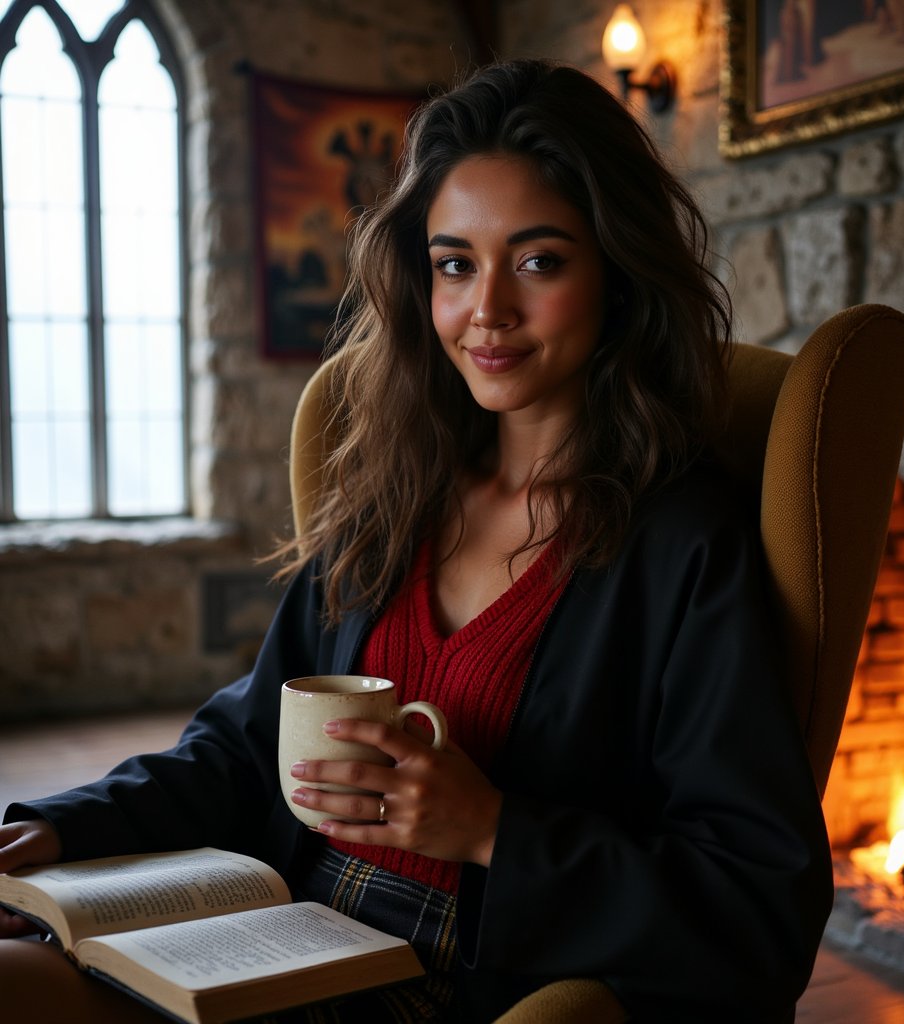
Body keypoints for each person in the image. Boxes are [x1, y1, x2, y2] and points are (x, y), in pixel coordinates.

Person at [0, 58, 832, 1022]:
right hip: (272, 934)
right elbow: (246, 743)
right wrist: (58, 828)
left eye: (539, 261)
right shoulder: (395, 494)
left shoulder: (686, 546)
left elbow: (757, 908)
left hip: (459, 983)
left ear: (617, 272)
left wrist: (493, 832)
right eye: (454, 264)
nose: (487, 311)